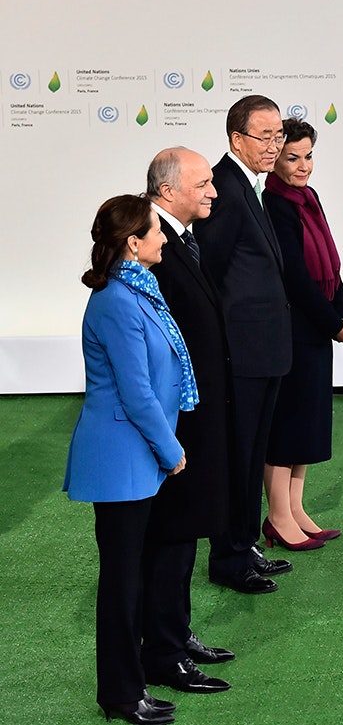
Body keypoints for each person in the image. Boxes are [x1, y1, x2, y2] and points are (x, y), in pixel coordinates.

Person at [64, 195, 193, 725]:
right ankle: (121, 693)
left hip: (135, 456)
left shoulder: (138, 290)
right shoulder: (118, 301)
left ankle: (130, 684)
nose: (164, 238)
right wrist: (171, 448)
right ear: (134, 243)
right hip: (122, 458)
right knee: (121, 583)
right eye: (156, 231)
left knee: (132, 576)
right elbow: (136, 392)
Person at [193, 95, 294, 594]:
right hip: (241, 352)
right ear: (237, 139)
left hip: (263, 349)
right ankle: (229, 559)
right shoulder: (223, 189)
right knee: (238, 456)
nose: (274, 146)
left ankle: (244, 544)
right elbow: (208, 273)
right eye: (265, 136)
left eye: (279, 135)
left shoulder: (249, 184)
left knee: (253, 454)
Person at [143, 148, 233, 694]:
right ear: (168, 190)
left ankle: (176, 633)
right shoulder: (151, 246)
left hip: (194, 417)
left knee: (184, 535)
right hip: (175, 423)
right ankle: (164, 652)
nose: (214, 192)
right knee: (171, 536)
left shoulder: (177, 240)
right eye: (202, 184)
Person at [261, 118, 343, 550]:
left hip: (315, 328)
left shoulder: (308, 197)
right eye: (292, 158)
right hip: (293, 329)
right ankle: (278, 517)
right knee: (287, 426)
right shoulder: (274, 204)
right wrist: (333, 322)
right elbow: (295, 277)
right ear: (274, 160)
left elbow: (330, 263)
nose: (303, 166)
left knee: (306, 425)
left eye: (308, 156)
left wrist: (341, 313)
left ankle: (296, 510)